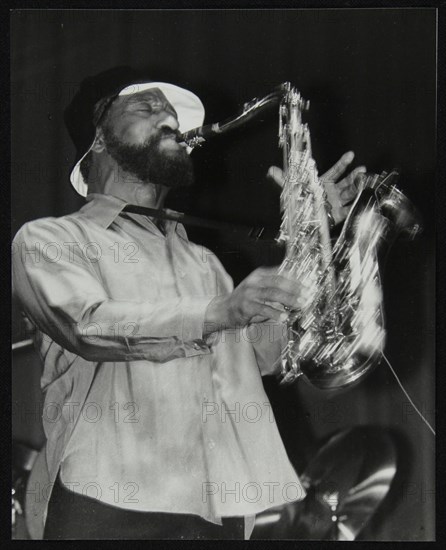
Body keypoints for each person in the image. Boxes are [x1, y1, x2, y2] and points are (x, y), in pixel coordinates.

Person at [12, 66, 364, 540]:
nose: (172, 120)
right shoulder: (50, 239)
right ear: (98, 139)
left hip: (215, 513)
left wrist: (311, 240)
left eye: (174, 114)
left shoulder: (205, 264)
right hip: (108, 504)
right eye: (148, 106)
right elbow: (87, 326)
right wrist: (218, 312)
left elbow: (267, 355)